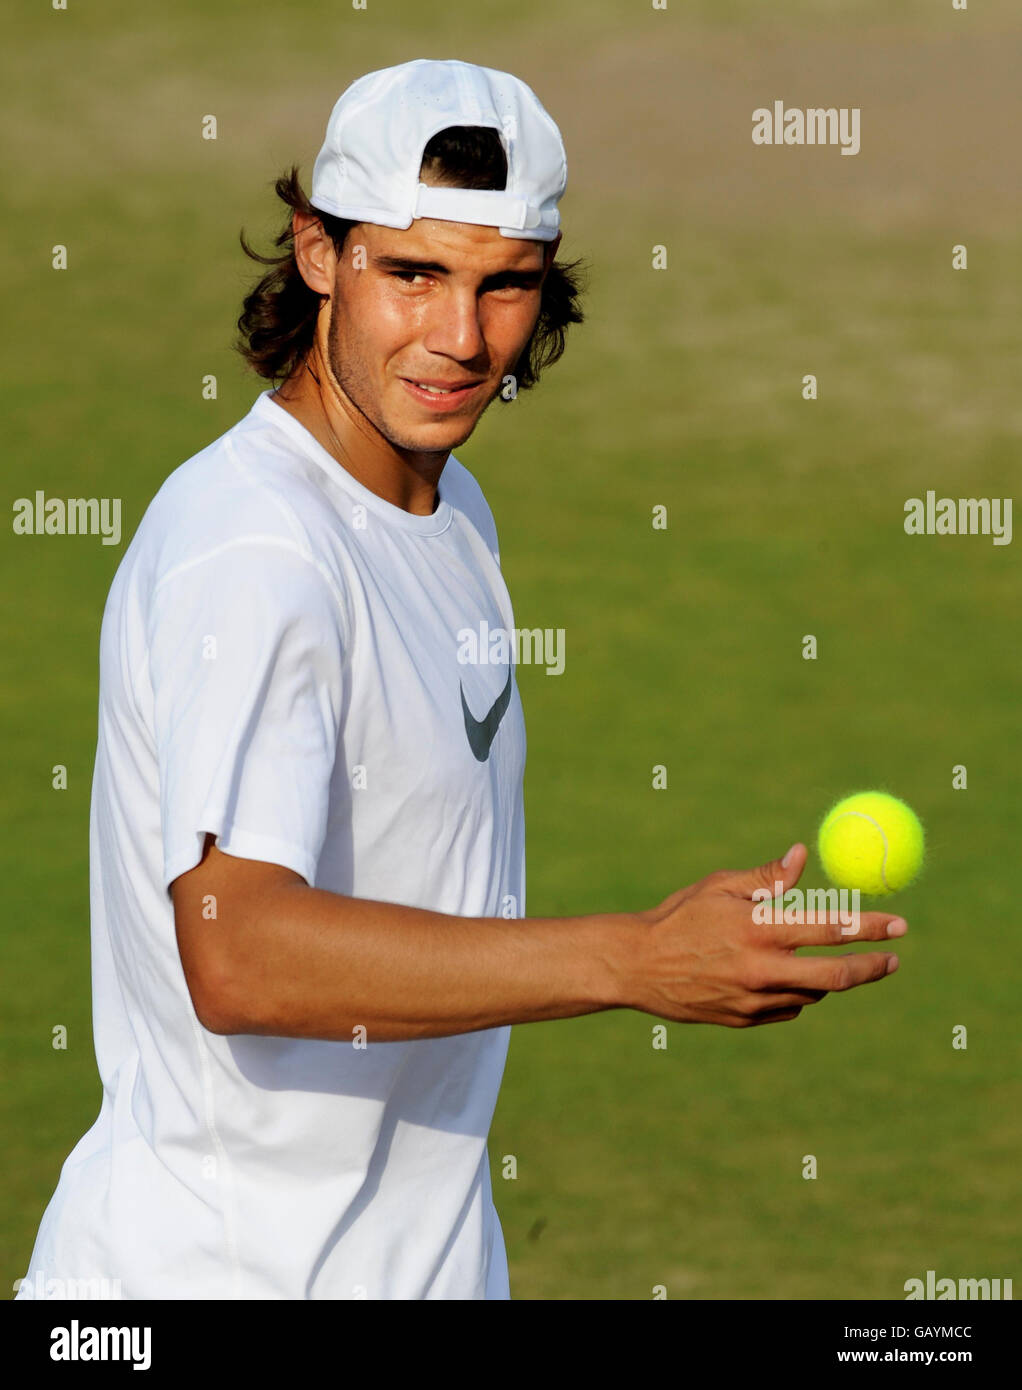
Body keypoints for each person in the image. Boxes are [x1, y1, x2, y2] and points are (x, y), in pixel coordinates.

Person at [17, 58, 907, 1303]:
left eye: (504, 287)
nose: (458, 339)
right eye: (413, 274)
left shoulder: (445, 505)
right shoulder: (256, 553)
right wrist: (630, 960)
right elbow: (237, 951)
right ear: (317, 252)